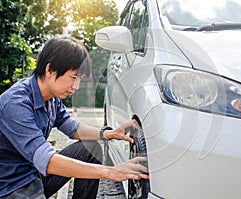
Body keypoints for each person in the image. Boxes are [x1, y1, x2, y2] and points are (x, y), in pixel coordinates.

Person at [0, 36, 148, 199]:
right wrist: (111, 172)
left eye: (79, 79)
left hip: (36, 174)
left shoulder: (52, 98)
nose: (76, 86)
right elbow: (48, 161)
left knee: (90, 148)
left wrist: (107, 134)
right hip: (12, 186)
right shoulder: (15, 104)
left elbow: (72, 127)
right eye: (73, 77)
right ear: (50, 70)